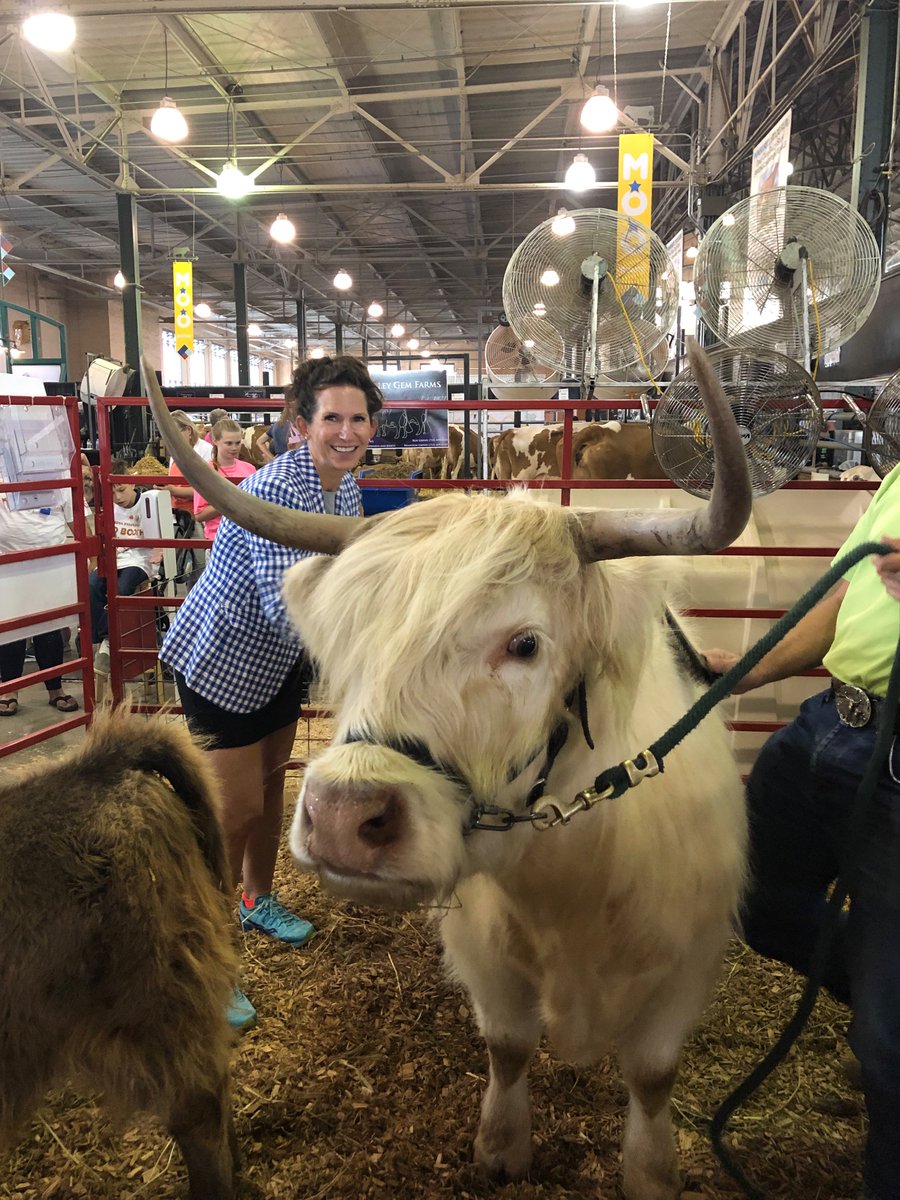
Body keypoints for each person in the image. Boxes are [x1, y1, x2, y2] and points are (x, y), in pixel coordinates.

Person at [160, 355, 382, 1031]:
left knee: (273, 780)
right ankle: (207, 957)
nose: (347, 431)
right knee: (233, 811)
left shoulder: (345, 487)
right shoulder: (275, 489)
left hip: (281, 664)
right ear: (300, 423)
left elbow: (343, 577)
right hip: (224, 661)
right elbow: (290, 603)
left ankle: (257, 900)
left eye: (359, 418)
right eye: (332, 418)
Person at [704, 465, 900, 1200]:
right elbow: (843, 593)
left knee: (888, 1051)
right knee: (752, 895)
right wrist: (747, 672)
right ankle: (880, 999)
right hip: (828, 724)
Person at [0, 476, 81, 717]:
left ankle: (55, 689)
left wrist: (89, 556)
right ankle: (8, 690)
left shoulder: (53, 470)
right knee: (10, 631)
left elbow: (75, 514)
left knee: (49, 628)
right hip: (7, 561)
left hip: (52, 560)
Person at [90, 458, 154, 675]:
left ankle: (107, 641)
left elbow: (157, 538)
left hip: (139, 559)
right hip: (115, 557)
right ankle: (101, 639)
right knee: (91, 585)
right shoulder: (108, 505)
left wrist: (159, 553)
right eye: (112, 492)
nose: (117, 497)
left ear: (132, 483)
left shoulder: (147, 502)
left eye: (121, 490)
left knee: (122, 588)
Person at [192, 418, 256, 540]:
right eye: (229, 443)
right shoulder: (205, 472)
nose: (234, 448)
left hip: (247, 538)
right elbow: (199, 514)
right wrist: (230, 502)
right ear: (215, 441)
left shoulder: (250, 469)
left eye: (238, 443)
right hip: (218, 539)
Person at [258, 396, 302, 462]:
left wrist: (272, 458)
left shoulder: (276, 425)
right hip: (295, 461)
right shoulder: (300, 425)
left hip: (279, 461)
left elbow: (259, 441)